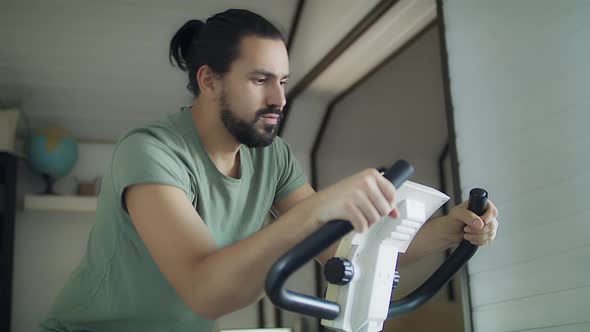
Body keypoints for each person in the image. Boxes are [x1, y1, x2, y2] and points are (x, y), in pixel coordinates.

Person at [41, 8, 499, 332]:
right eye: (260, 80)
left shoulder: (271, 156)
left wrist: (449, 232)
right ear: (208, 80)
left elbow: (342, 252)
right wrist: (318, 208)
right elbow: (205, 290)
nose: (279, 100)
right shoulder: (151, 151)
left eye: (282, 81)